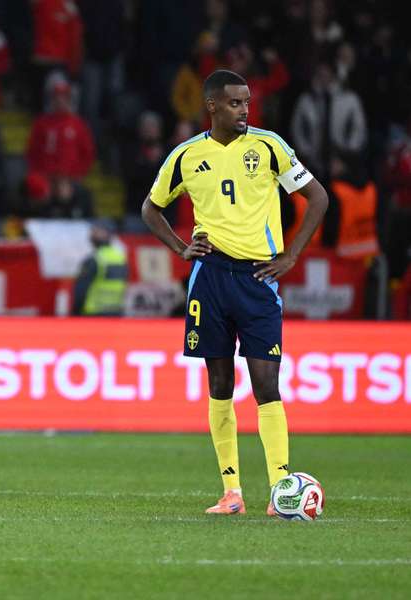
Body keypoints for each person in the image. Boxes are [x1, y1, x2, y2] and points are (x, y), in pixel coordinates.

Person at [141, 70, 328, 516]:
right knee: (220, 384)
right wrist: (182, 248)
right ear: (212, 106)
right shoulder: (187, 156)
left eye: (247, 102)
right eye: (235, 103)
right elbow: (151, 207)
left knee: (266, 384)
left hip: (258, 280)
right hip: (209, 278)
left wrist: (291, 255)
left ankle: (281, 487)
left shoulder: (268, 147)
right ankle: (232, 493)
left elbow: (317, 197)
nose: (245, 110)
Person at [72, 222, 127, 316]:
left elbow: (81, 291)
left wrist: (75, 312)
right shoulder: (121, 258)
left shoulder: (94, 259)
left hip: (93, 313)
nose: (91, 234)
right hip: (116, 312)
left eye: (95, 231)